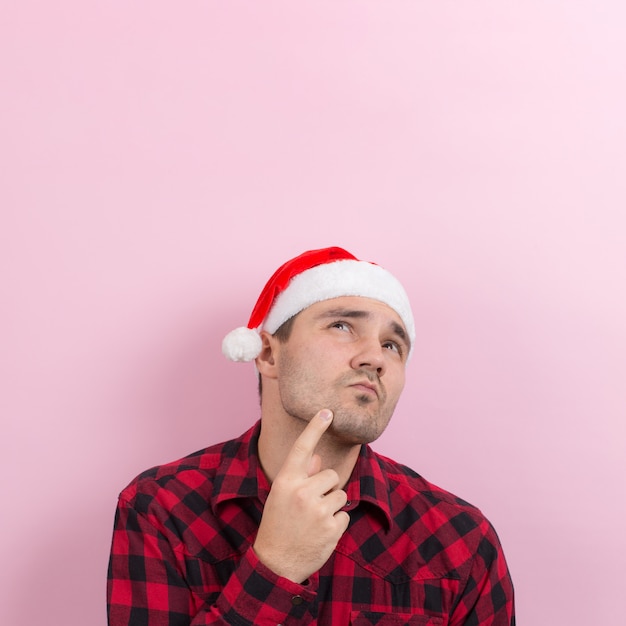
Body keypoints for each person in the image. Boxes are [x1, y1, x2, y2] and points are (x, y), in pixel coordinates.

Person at [107, 246, 515, 625]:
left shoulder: (460, 540)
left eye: (393, 345)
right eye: (342, 325)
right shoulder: (160, 509)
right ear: (268, 354)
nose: (374, 357)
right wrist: (275, 566)